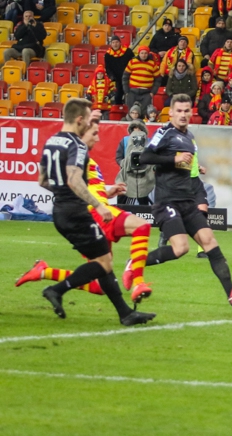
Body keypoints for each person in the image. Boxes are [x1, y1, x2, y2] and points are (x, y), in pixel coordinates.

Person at [32, 98, 154, 326]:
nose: (90, 125)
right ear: (79, 119)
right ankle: (56, 289)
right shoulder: (76, 145)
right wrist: (97, 204)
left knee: (102, 261)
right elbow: (74, 179)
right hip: (76, 212)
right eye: (88, 120)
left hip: (60, 211)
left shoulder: (51, 141)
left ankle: (125, 313)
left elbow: (42, 180)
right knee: (104, 263)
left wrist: (64, 192)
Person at [133, 94, 232, 306]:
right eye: (179, 111)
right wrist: (174, 159)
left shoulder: (189, 137)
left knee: (210, 242)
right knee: (180, 248)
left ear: (191, 113)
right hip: (168, 201)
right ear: (171, 112)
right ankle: (134, 264)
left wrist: (192, 166)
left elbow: (182, 165)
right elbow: (144, 157)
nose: (183, 115)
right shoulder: (164, 132)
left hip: (187, 200)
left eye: (186, 111)